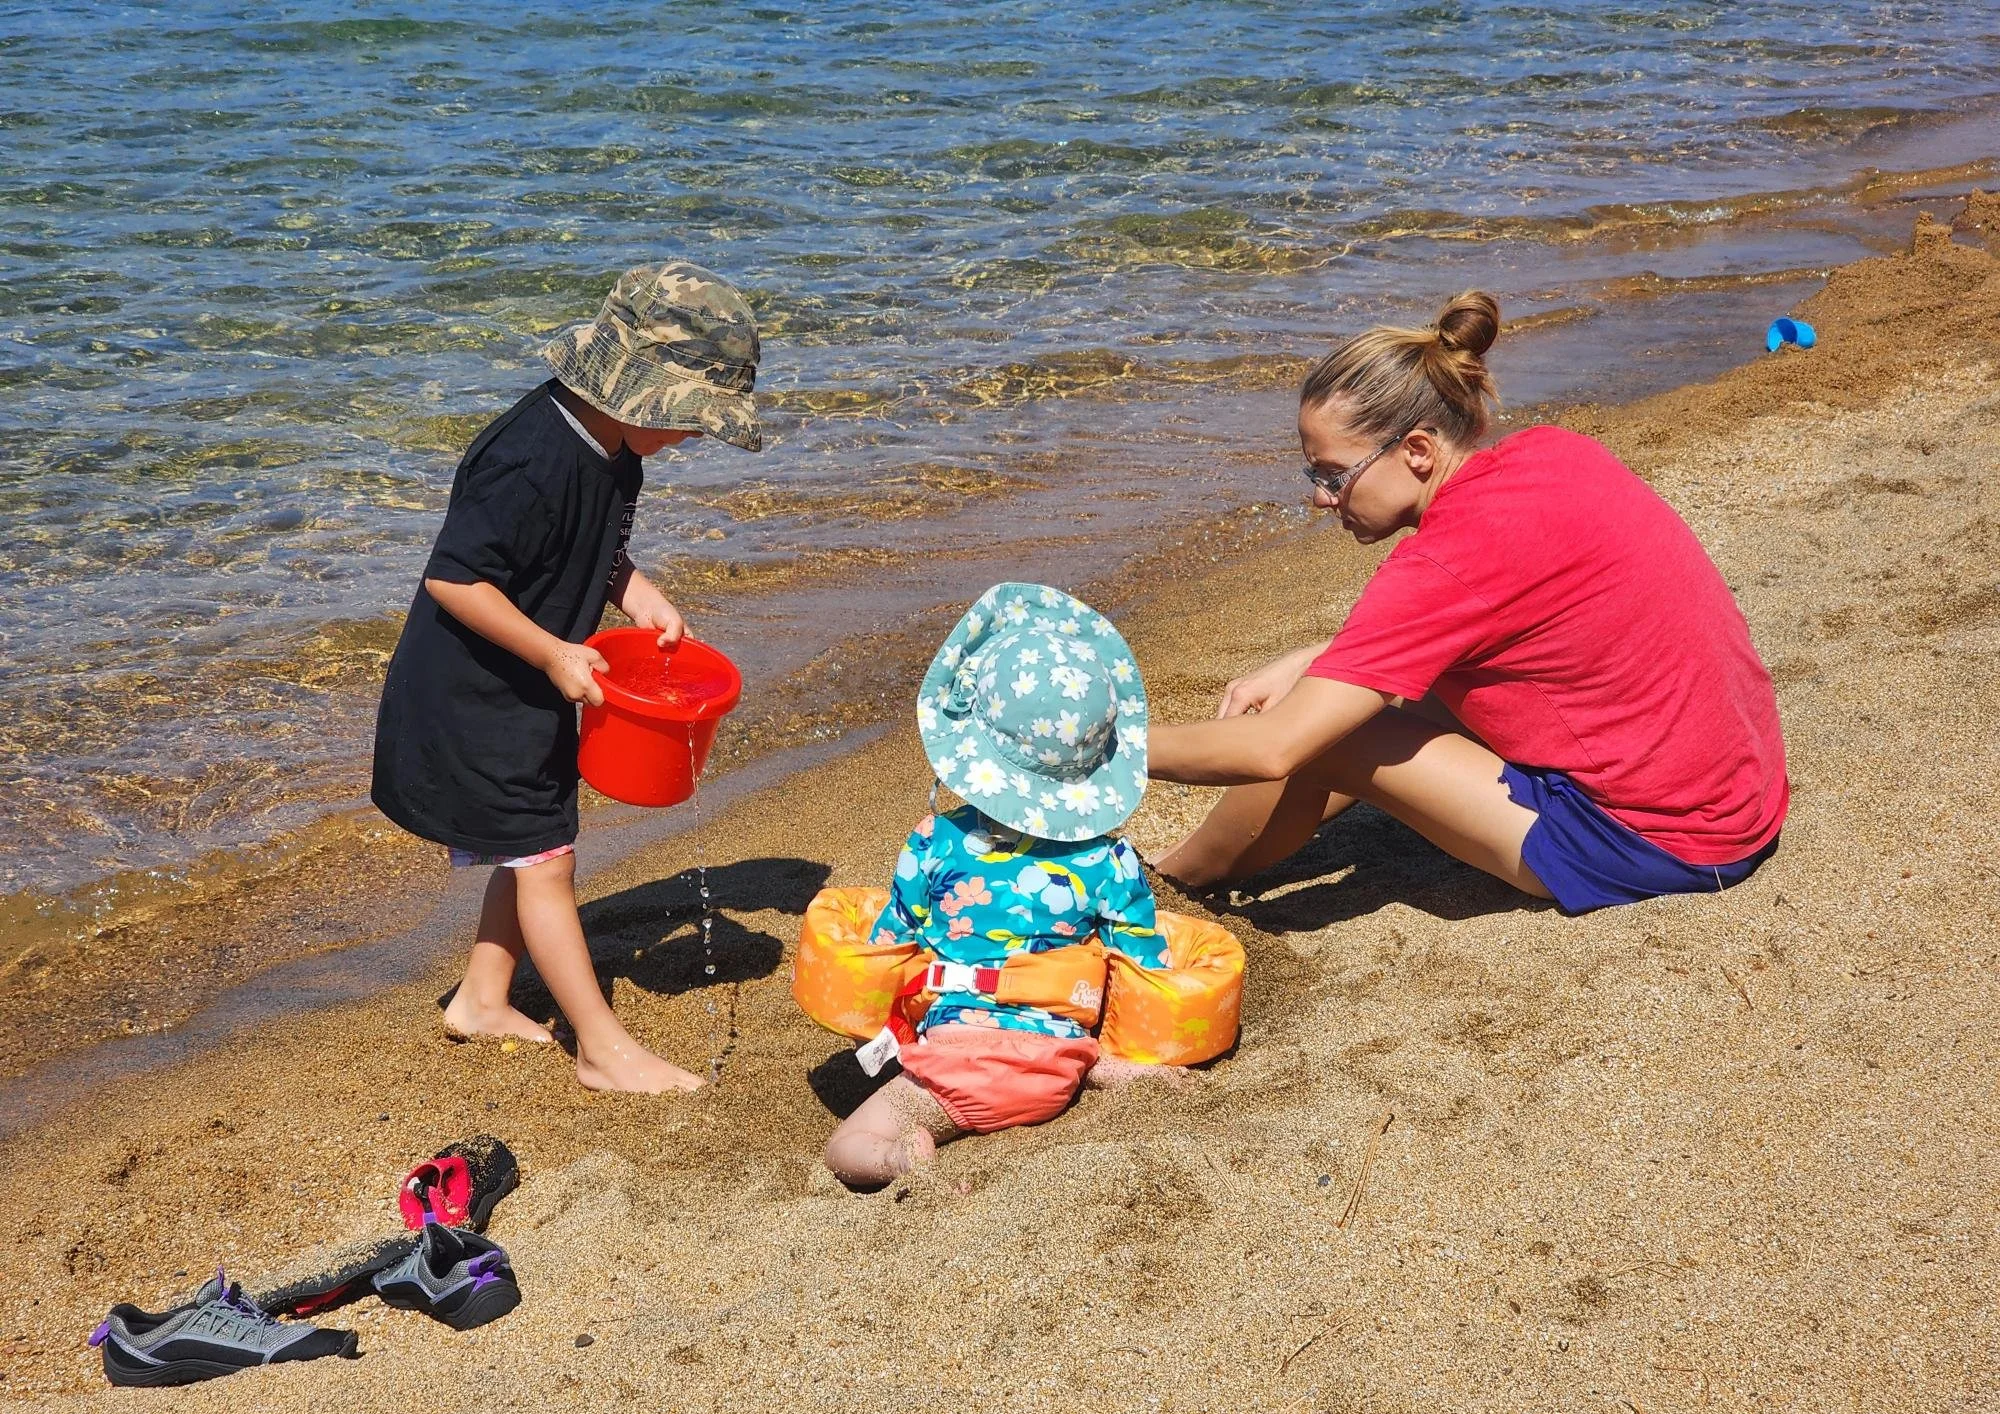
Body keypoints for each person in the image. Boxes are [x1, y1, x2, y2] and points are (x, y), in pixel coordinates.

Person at [1147, 290, 1787, 915]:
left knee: (1325, 736)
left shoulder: (1444, 563)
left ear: (1417, 452)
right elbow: (1491, 611)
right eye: (1313, 476)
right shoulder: (1554, 453)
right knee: (1348, 698)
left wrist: (1113, 750)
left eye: (1334, 474)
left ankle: (1172, 881)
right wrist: (1312, 660)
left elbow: (1273, 750)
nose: (1321, 498)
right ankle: (1180, 872)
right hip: (1740, 797)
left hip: (1659, 839)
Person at [371, 263, 763, 1093]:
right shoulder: (527, 458)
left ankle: (482, 998)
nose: (694, 437)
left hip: (539, 677)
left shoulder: (616, 454)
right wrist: (552, 652)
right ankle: (600, 1049)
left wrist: (638, 595)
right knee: (546, 861)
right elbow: (454, 578)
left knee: (539, 839)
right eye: (690, 418)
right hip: (474, 688)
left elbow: (591, 546)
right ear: (639, 391)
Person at [824, 584, 1180, 1188]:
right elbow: (1144, 962)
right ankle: (1106, 1068)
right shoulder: (1111, 858)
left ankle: (901, 1161)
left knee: (848, 1146)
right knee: (1086, 1015)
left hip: (953, 1067)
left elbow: (891, 948)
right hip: (1057, 1064)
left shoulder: (933, 842)